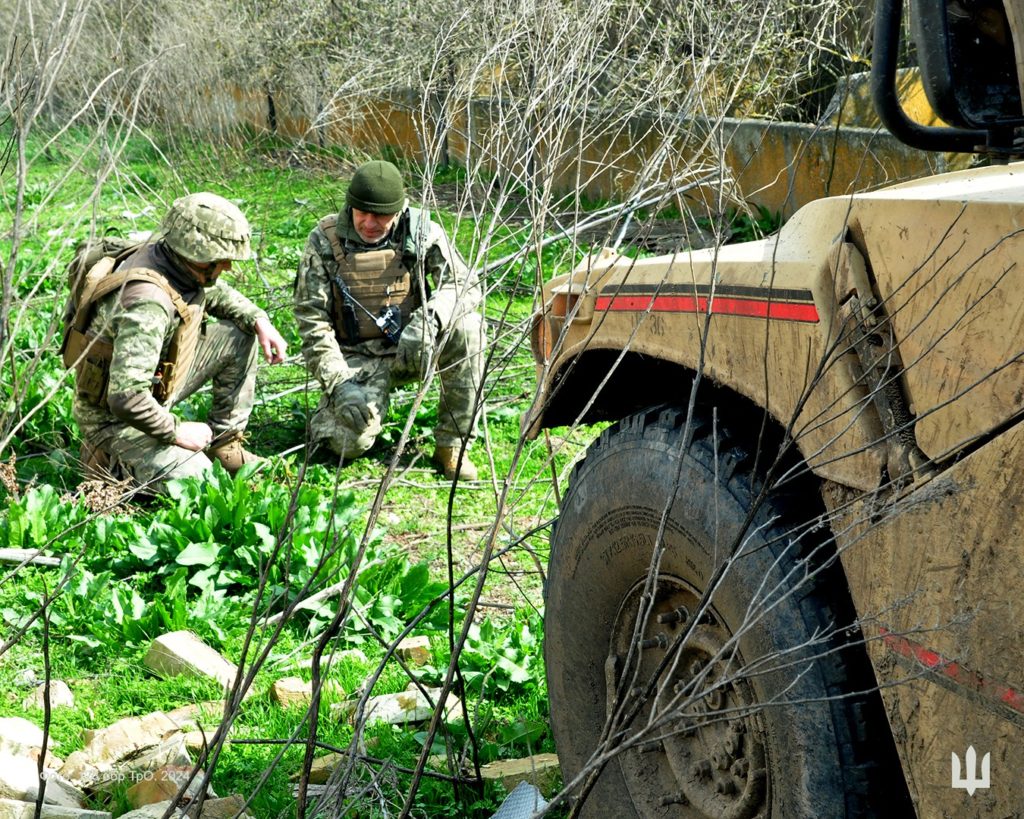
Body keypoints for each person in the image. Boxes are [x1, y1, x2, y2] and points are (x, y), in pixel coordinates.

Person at [68, 192, 288, 492]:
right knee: (201, 482)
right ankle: (108, 462)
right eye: (220, 260)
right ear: (197, 256)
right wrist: (176, 431)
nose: (228, 268)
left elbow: (213, 292)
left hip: (155, 384)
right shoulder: (148, 304)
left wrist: (258, 319)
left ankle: (224, 445)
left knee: (239, 334)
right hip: (113, 419)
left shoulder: (168, 257)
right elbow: (126, 397)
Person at [293, 160, 484, 480]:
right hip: (356, 360)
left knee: (469, 328)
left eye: (380, 215)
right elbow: (312, 320)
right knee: (349, 443)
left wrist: (429, 320)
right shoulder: (324, 240)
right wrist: (339, 384)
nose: (369, 223)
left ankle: (452, 445)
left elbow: (465, 284)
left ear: (398, 211)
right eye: (361, 213)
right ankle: (332, 414)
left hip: (413, 347)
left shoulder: (420, 231)